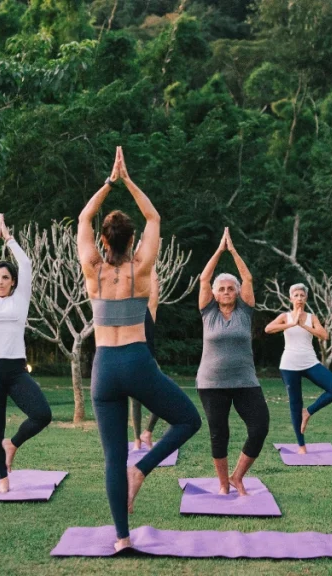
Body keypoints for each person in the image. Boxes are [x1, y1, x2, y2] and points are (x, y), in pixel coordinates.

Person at [78, 147, 201, 551]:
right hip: (136, 360)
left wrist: (107, 184)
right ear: (132, 240)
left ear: (101, 240)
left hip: (104, 367)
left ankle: (121, 538)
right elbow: (154, 217)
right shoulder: (141, 268)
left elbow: (83, 218)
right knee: (187, 420)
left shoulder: (92, 270)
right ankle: (143, 469)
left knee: (113, 456)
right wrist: (127, 180)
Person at [0, 214, 52, 493]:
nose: (0, 281)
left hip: (16, 372)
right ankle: (3, 479)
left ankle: (13, 443)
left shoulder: (21, 299)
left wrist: (9, 240)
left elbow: (27, 263)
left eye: (6, 277)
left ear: (14, 282)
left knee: (42, 414)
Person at [195, 227, 269, 497]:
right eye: (221, 289)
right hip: (211, 383)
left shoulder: (245, 311)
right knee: (219, 433)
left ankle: (238, 476)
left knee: (259, 427)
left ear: (237, 292)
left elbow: (247, 277)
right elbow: (204, 279)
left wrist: (233, 251)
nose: (226, 291)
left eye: (231, 288)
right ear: (215, 294)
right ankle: (223, 484)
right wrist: (218, 251)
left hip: (245, 381)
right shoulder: (208, 312)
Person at [264, 283, 332, 453]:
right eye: (296, 295)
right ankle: (301, 446)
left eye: (302, 295)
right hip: (289, 365)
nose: (299, 298)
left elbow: (324, 335)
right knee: (295, 403)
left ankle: (308, 412)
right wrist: (292, 324)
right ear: (291, 298)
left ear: (306, 298)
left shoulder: (311, 317)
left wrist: (303, 325)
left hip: (310, 362)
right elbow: (268, 329)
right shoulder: (285, 316)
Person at [132, 265, 161, 450]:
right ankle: (138, 439)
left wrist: (151, 263)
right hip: (133, 360)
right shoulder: (126, 314)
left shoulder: (149, 310)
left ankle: (146, 433)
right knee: (136, 402)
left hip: (148, 360)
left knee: (160, 399)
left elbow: (155, 286)